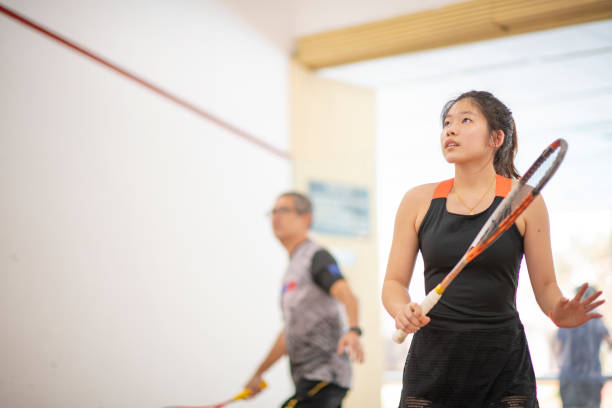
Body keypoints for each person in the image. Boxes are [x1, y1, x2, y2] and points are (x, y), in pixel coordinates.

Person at [381, 90, 605, 408]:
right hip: (433, 360)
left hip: (502, 361)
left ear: (496, 138)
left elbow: (545, 287)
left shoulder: (526, 201)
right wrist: (400, 309)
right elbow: (393, 284)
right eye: (447, 123)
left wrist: (560, 311)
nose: (451, 129)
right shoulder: (417, 201)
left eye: (465, 120)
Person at [244, 192, 364, 408]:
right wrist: (258, 374)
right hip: (306, 382)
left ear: (305, 218)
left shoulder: (316, 256)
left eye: (283, 210)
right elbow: (289, 333)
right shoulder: (292, 268)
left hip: (326, 378)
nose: (275, 217)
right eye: (273, 211)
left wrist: (353, 330)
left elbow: (347, 294)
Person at [555, 286, 612, 408]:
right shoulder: (598, 320)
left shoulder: (567, 319)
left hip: (570, 377)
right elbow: (610, 344)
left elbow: (558, 349)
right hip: (592, 378)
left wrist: (559, 365)